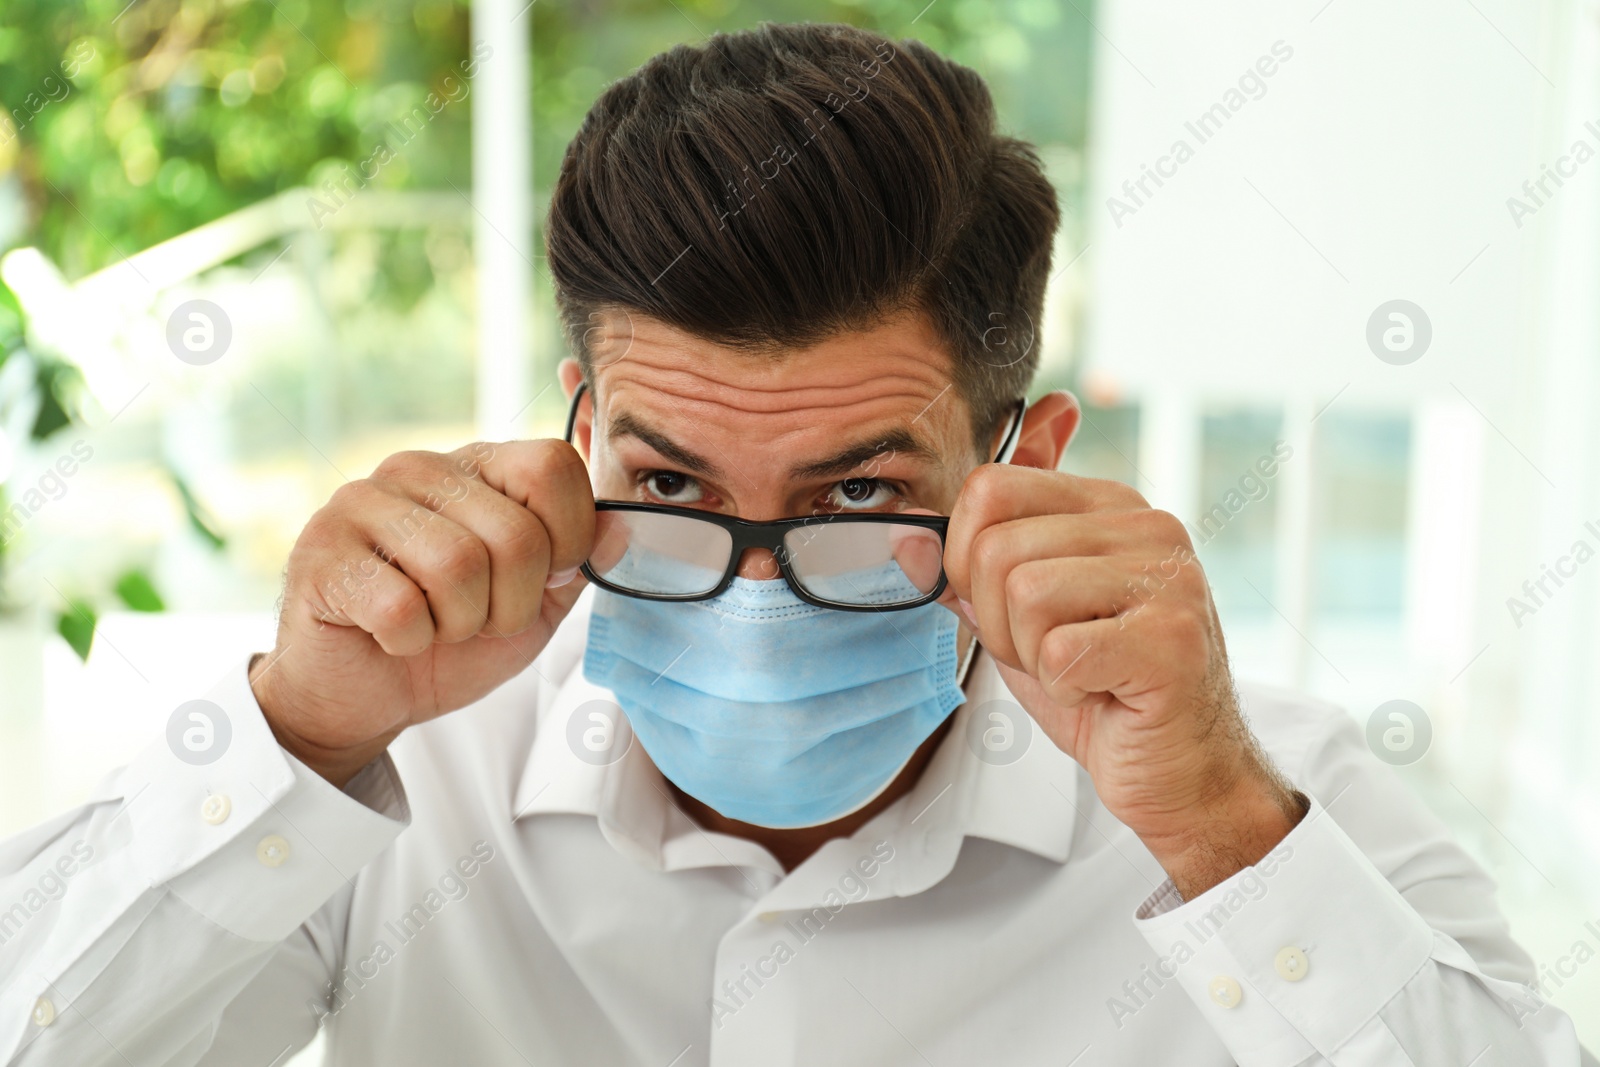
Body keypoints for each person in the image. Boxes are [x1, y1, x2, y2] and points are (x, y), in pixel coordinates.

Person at [0, 21, 1584, 1067]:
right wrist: (296, 725)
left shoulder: (1263, 794)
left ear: (1020, 467)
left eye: (855, 499)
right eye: (673, 488)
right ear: (579, 439)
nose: (752, 598)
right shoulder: (412, 769)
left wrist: (1228, 835)